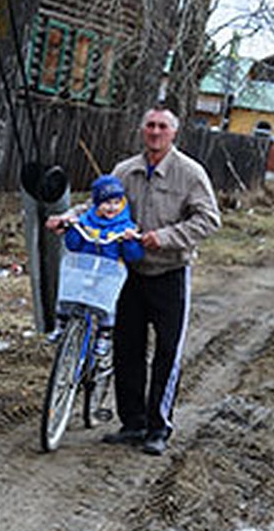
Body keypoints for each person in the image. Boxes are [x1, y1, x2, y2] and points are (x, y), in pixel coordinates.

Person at [50, 107, 220, 456]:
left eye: (162, 127)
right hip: (127, 272)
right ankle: (133, 422)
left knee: (167, 352)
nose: (155, 132)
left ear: (173, 133)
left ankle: (158, 428)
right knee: (128, 348)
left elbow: (209, 220)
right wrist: (69, 217)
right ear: (143, 131)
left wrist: (166, 237)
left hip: (169, 272)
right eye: (150, 126)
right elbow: (98, 207)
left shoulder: (190, 173)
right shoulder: (125, 170)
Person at [54, 173, 144, 360]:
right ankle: (61, 324)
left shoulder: (125, 224)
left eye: (116, 202)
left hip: (108, 273)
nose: (111, 207)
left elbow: (133, 255)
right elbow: (73, 245)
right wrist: (73, 229)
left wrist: (129, 240)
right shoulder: (87, 220)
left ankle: (104, 335)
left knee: (107, 305)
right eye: (106, 203)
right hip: (84, 267)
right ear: (96, 203)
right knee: (67, 294)